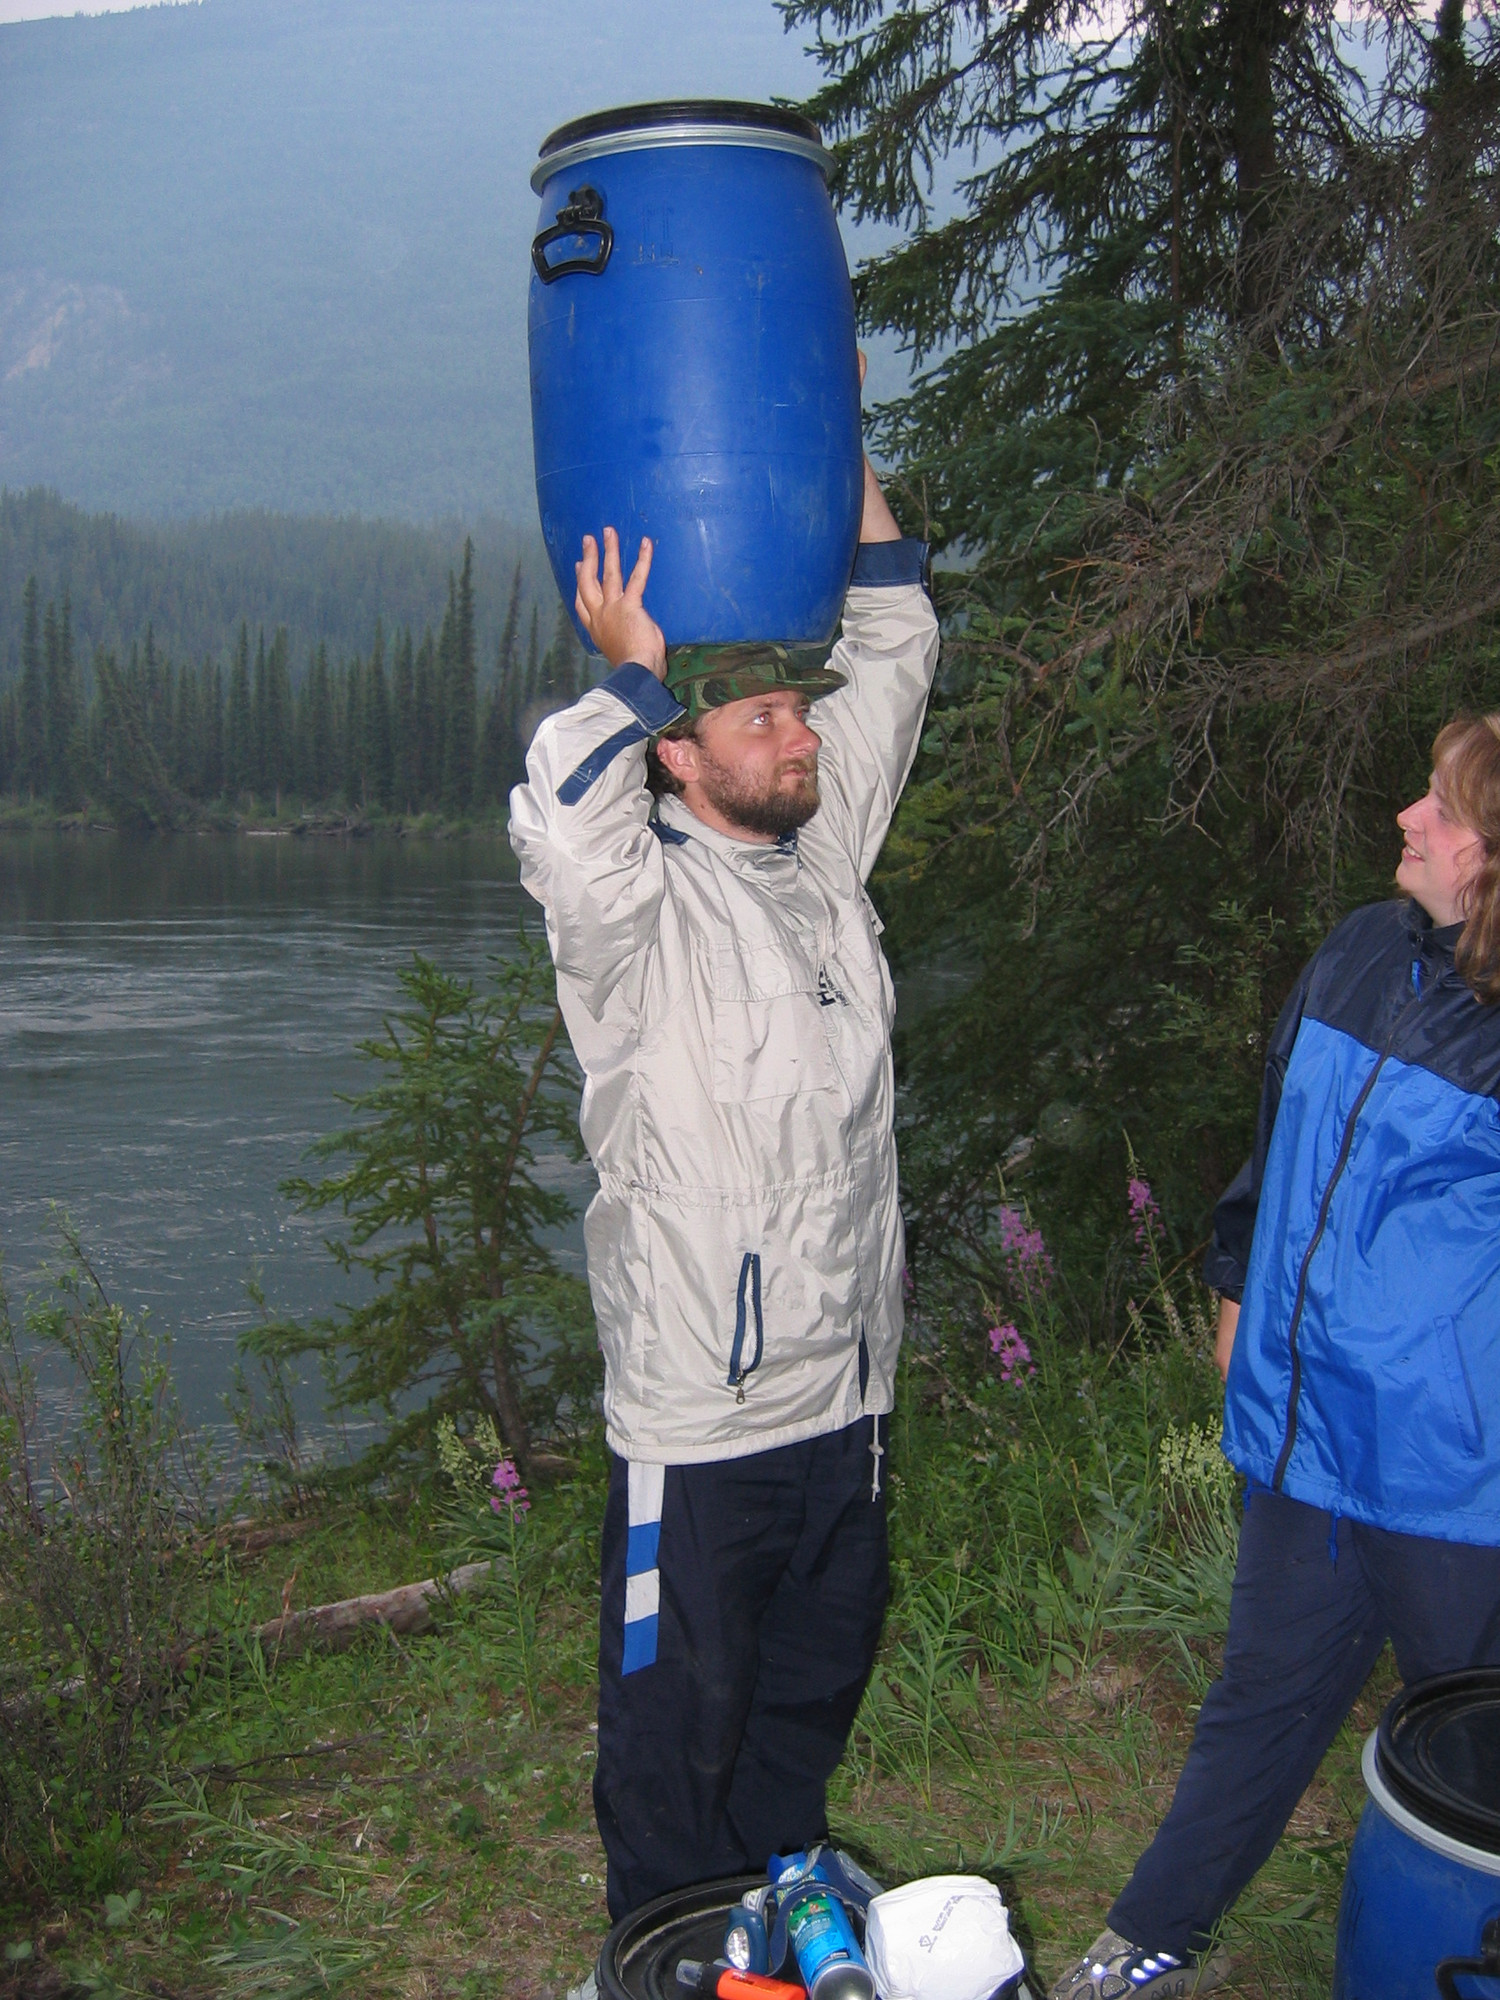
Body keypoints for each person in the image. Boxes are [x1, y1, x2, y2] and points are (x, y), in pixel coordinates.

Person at [508, 413, 939, 1934]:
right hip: (703, 1413)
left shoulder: (820, 861)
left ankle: (775, 1927)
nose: (800, 736)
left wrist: (838, 434)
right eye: (761, 721)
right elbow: (560, 816)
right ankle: (663, 1948)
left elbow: (896, 645)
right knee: (672, 1736)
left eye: (797, 715)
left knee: (809, 1692)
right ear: (679, 755)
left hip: (848, 1393)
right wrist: (630, 672)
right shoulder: (634, 919)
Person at [1048, 715, 1500, 2000]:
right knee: (1261, 1698)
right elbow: (1276, 1126)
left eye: (1442, 807)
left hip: (1451, 1471)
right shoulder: (1361, 947)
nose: (1408, 817)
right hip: (1308, 1433)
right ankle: (1150, 1935)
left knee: (1477, 1739)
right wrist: (1237, 1276)